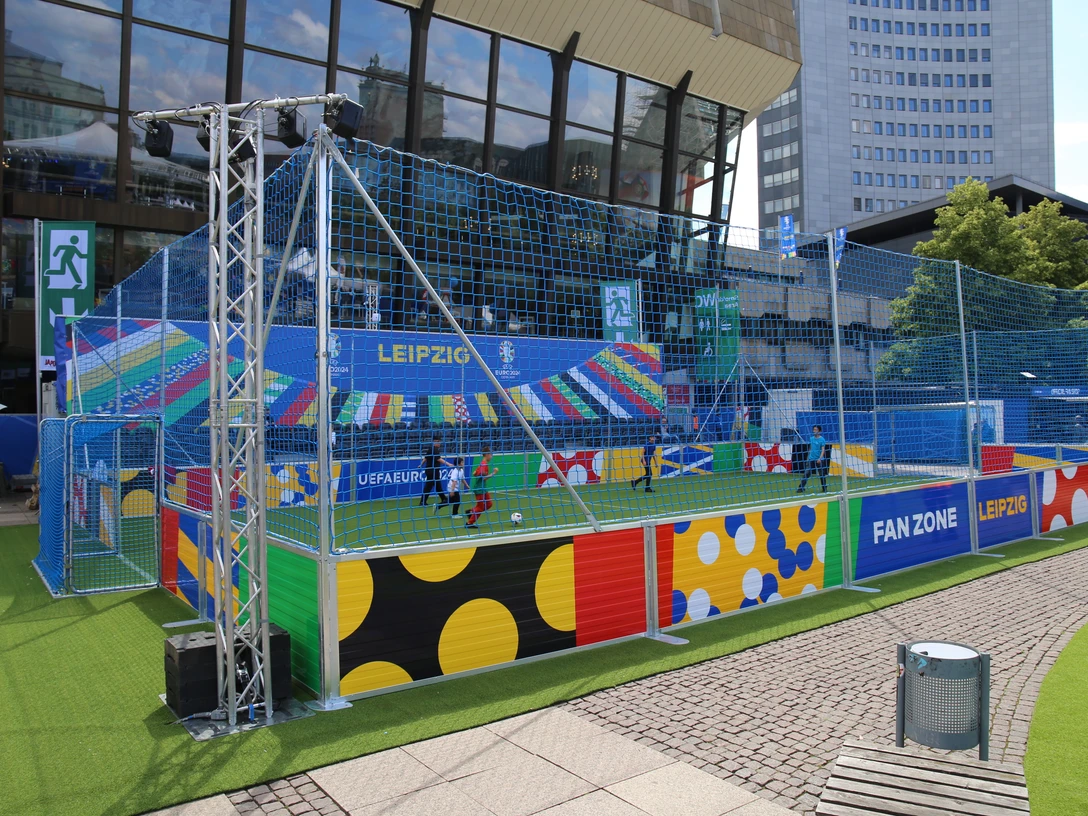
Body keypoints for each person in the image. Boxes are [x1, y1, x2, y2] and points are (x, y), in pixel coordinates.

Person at [465, 447, 500, 529]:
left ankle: (471, 511)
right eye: (491, 454)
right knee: (480, 507)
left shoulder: (483, 464)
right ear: (487, 454)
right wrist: (494, 473)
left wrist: (476, 473)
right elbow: (483, 477)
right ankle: (469, 523)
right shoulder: (484, 464)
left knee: (489, 504)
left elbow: (475, 473)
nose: (491, 456)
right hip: (479, 489)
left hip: (483, 488)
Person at [418, 437, 451, 507]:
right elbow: (439, 459)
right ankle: (423, 501)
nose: (439, 443)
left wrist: (421, 464)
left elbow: (425, 458)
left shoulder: (430, 449)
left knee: (436, 485)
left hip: (430, 470)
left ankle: (444, 499)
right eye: (438, 442)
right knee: (430, 486)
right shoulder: (435, 450)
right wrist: (448, 464)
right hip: (433, 471)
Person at [797, 425, 829, 494]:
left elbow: (823, 450)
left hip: (819, 460)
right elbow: (810, 448)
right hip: (811, 459)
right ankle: (801, 487)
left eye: (816, 430)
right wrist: (808, 457)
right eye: (814, 429)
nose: (814, 431)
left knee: (822, 474)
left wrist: (820, 458)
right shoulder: (811, 439)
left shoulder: (822, 439)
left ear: (819, 431)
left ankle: (824, 488)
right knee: (806, 474)